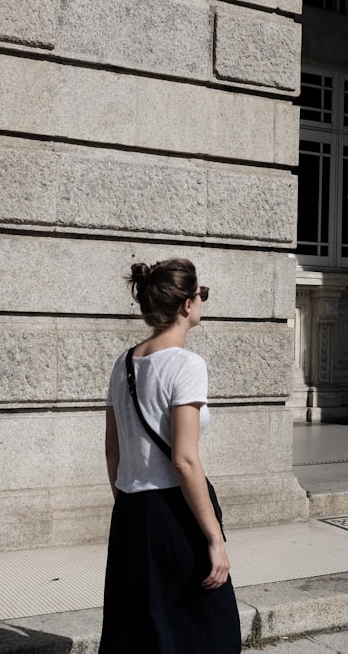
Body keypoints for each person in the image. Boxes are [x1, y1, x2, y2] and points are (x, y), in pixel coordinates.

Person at [99, 258, 241, 653]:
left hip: (130, 511)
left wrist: (128, 502)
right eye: (202, 294)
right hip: (175, 514)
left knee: (140, 630)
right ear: (186, 305)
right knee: (210, 630)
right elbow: (185, 459)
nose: (202, 301)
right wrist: (215, 539)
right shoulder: (186, 365)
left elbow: (113, 448)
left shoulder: (122, 364)